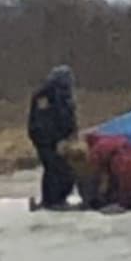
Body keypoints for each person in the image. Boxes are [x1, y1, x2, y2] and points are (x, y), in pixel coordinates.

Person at [26, 65, 78, 211]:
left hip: (60, 139)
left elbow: (69, 118)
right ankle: (51, 200)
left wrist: (71, 135)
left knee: (63, 169)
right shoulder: (44, 96)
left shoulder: (65, 95)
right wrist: (54, 140)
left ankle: (59, 198)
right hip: (46, 140)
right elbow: (43, 121)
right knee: (53, 168)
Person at [84, 133, 131, 211]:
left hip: (124, 164)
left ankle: (124, 203)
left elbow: (96, 168)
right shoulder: (119, 140)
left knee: (126, 185)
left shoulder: (98, 147)